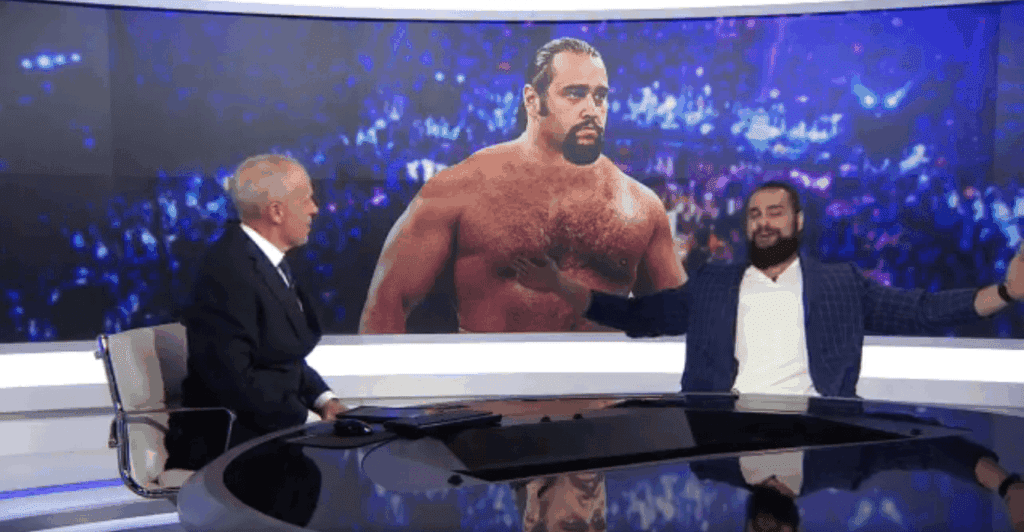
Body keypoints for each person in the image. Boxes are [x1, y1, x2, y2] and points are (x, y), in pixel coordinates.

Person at [511, 180, 1024, 397]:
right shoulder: (715, 284)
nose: (763, 222)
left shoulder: (840, 284)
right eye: (755, 214)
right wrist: (559, 285)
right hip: (724, 437)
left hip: (820, 434)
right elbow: (639, 317)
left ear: (798, 222)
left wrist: (1004, 293)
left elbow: (922, 310)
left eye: (775, 212)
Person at [358, 37, 685, 334]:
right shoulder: (461, 189)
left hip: (607, 380)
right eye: (575, 93)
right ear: (532, 100)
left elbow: (679, 318)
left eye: (600, 96)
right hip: (489, 379)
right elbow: (386, 303)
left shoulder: (641, 206)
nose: (592, 109)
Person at [165, 154, 345, 470]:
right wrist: (308, 420)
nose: (314, 209)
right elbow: (233, 382)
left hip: (271, 430)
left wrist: (325, 401)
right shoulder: (228, 270)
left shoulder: (267, 263)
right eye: (305, 200)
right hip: (233, 445)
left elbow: (281, 358)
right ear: (276, 212)